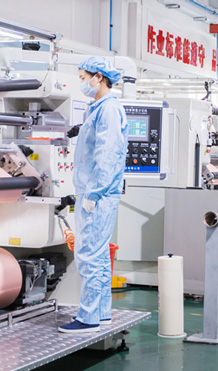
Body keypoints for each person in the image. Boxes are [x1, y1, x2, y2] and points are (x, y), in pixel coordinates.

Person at [59, 57, 128, 334]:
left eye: (82, 77)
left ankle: (88, 318)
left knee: (88, 254)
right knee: (98, 256)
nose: (82, 83)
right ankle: (101, 314)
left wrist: (94, 193)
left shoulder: (108, 109)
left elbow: (107, 154)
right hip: (95, 192)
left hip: (97, 195)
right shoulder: (99, 108)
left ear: (98, 77)